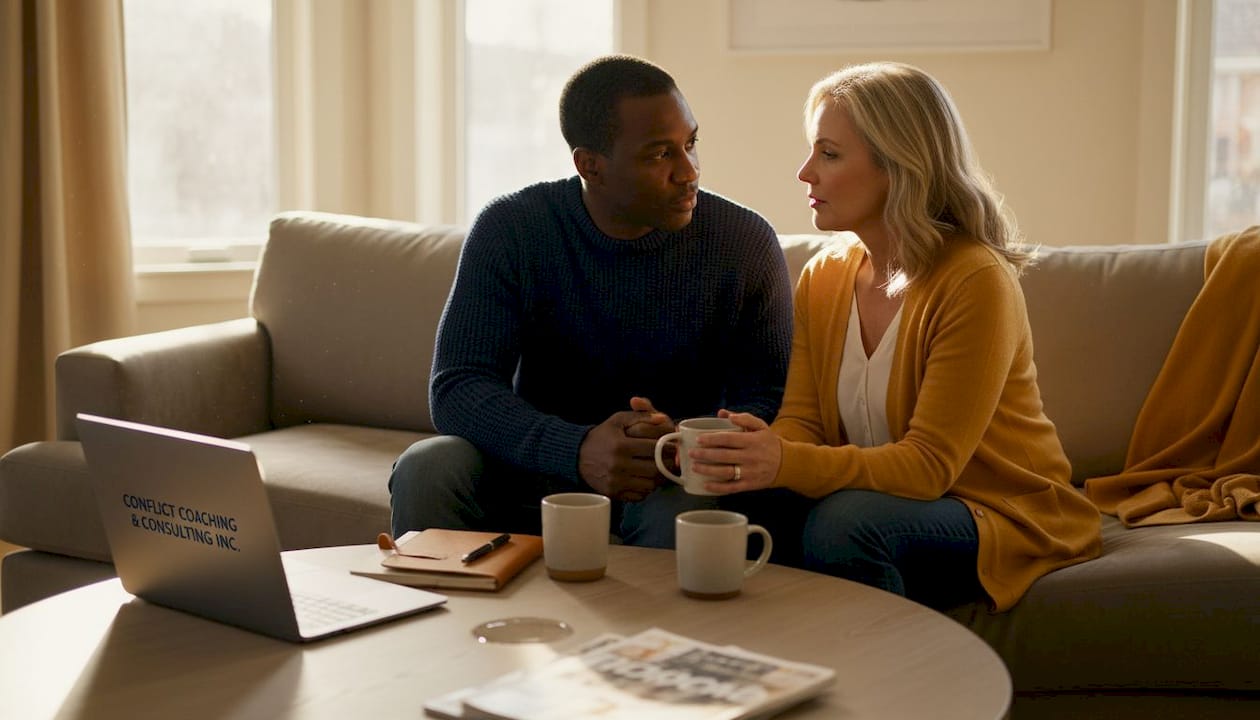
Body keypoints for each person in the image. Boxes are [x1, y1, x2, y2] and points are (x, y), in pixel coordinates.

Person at [686, 62, 1101, 611]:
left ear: (898, 167)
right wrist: (763, 449)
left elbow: (929, 467)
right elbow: (805, 421)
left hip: (998, 511)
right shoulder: (826, 275)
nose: (804, 173)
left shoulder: (975, 280)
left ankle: (885, 687)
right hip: (886, 500)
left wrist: (786, 463)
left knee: (845, 525)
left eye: (829, 154)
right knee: (733, 507)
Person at [389, 55, 804, 552]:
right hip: (536, 468)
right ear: (590, 165)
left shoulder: (743, 240)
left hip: (669, 478)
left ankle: (657, 635)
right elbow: (458, 386)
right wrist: (577, 448)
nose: (688, 171)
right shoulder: (513, 229)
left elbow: (769, 395)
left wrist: (681, 442)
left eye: (690, 144)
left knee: (684, 509)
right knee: (429, 466)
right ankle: (441, 626)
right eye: (658, 155)